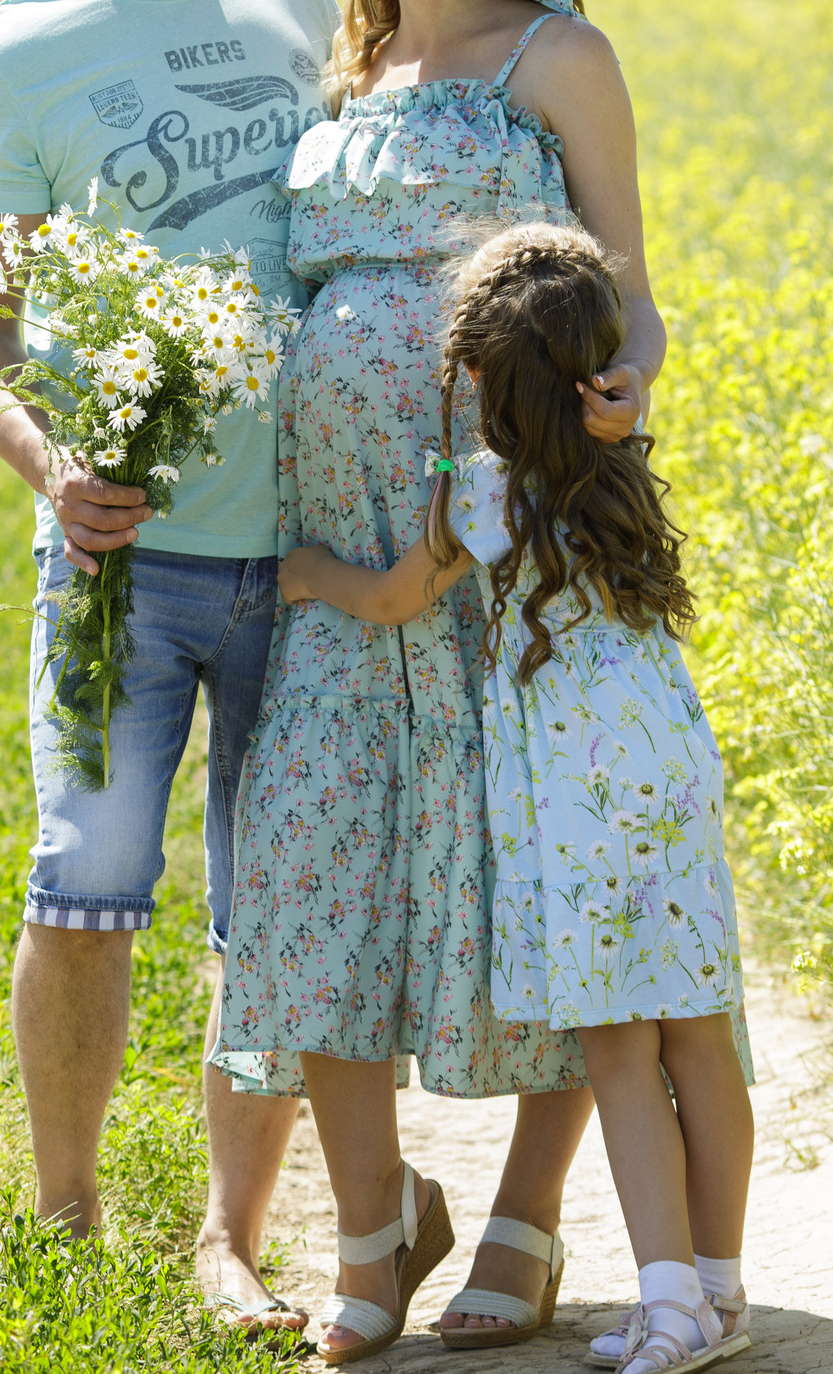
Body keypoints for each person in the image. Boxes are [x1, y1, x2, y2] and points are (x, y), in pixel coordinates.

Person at [207, 0, 752, 1363]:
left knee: (541, 888)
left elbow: (630, 285)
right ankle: (370, 1226)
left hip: (506, 558)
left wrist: (626, 380)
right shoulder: (353, 63)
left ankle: (524, 1212)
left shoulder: (556, 56)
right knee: (315, 863)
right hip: (346, 554)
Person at [0, 0, 340, 1337]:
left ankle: (232, 1239)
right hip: (125, 562)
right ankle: (68, 1214)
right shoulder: (13, 51)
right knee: (85, 880)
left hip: (307, 548)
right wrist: (48, 465)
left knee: (274, 903)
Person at [277, 225, 756, 1373]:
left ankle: (669, 1309)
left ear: (478, 374)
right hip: (669, 770)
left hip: (579, 806)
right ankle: (719, 1293)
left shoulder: (479, 493)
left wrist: (307, 573)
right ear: (596, 366)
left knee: (618, 1049)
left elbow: (393, 600)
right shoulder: (620, 461)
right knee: (698, 1036)